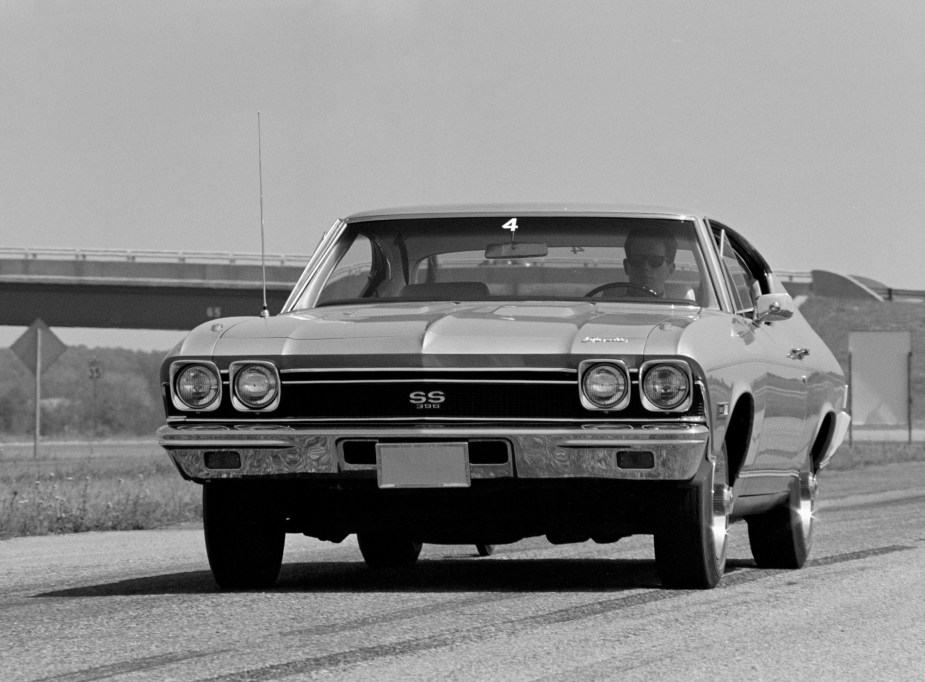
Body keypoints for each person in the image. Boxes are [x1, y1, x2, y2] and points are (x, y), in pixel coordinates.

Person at [622, 225, 678, 297]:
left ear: (670, 269)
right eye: (637, 259)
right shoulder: (607, 307)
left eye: (655, 260)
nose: (645, 267)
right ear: (626, 267)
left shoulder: (680, 308)